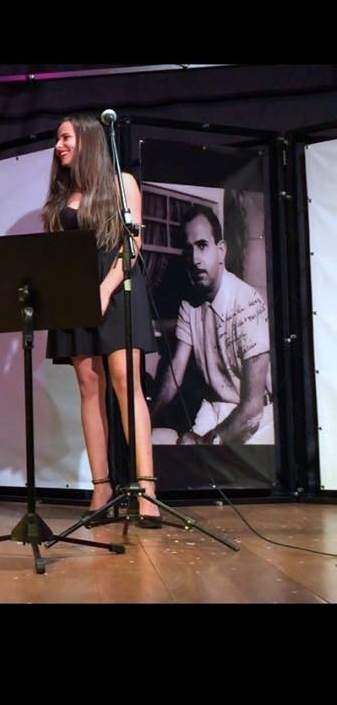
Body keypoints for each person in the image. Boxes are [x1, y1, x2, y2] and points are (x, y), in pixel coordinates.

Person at [43, 113, 161, 526]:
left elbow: (133, 243)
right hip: (75, 294)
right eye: (58, 139)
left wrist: (106, 289)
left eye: (65, 137)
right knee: (89, 388)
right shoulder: (62, 197)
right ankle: (102, 487)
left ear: (89, 139)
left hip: (118, 288)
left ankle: (146, 490)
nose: (58, 146)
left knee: (127, 383)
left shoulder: (121, 183)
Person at [151, 205, 273, 444]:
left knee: (198, 455)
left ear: (221, 251)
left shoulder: (248, 302)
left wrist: (203, 442)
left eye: (202, 245)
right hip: (214, 410)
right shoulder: (189, 305)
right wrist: (145, 418)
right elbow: (175, 373)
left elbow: (252, 406)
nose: (194, 259)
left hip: (254, 420)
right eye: (188, 249)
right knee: (154, 439)